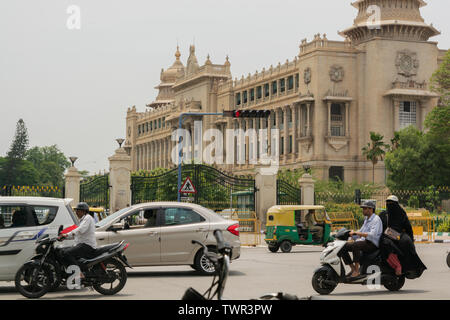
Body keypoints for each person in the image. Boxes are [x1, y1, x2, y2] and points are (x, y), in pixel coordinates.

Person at [378, 195, 427, 279]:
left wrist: (411, 239)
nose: (390, 205)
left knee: (404, 242)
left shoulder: (401, 213)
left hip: (397, 235)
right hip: (385, 234)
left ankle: (402, 266)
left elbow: (408, 227)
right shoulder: (383, 214)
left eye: (391, 203)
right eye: (388, 203)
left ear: (396, 204)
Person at [339, 201, 383, 278]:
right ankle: (352, 268)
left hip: (372, 243)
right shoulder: (366, 219)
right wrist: (351, 234)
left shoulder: (376, 219)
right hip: (364, 242)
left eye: (365, 208)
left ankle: (357, 271)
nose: (363, 210)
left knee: (356, 245)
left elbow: (372, 235)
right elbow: (361, 231)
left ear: (371, 209)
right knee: (343, 246)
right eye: (363, 208)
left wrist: (357, 233)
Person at [58, 202, 97, 277]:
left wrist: (66, 234)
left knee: (67, 253)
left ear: (83, 211)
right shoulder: (82, 220)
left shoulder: (87, 218)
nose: (76, 213)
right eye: (76, 211)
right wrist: (64, 237)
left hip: (87, 245)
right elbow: (76, 234)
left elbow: (80, 230)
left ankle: (78, 273)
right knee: (61, 251)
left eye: (78, 211)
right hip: (81, 244)